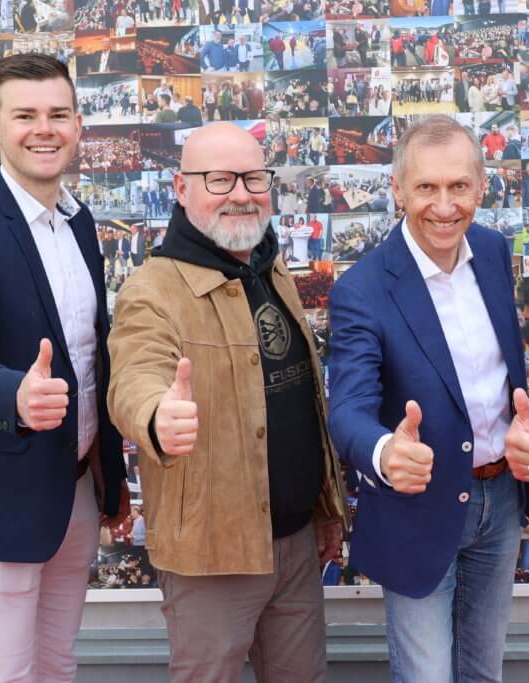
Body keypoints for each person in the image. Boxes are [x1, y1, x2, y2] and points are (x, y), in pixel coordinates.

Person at [105, 122, 346, 683]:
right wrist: (157, 416)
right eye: (219, 179)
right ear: (181, 188)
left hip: (296, 543)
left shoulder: (272, 268)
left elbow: (299, 401)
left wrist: (324, 508)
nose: (241, 193)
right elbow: (135, 375)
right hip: (212, 557)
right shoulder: (152, 289)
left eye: (253, 178)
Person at [0, 53, 128, 683]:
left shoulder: (80, 223)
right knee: (2, 674)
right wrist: (15, 394)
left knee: (56, 667)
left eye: (58, 114)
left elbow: (92, 356)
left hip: (76, 491)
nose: (44, 129)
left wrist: (109, 475)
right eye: (25, 115)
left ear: (78, 124)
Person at [327, 115, 529, 682]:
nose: (444, 206)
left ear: (481, 187)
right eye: (426, 187)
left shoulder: (492, 252)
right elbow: (347, 409)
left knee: (483, 674)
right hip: (417, 510)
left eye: (459, 186)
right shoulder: (361, 290)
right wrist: (384, 452)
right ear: (398, 190)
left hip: (501, 502)